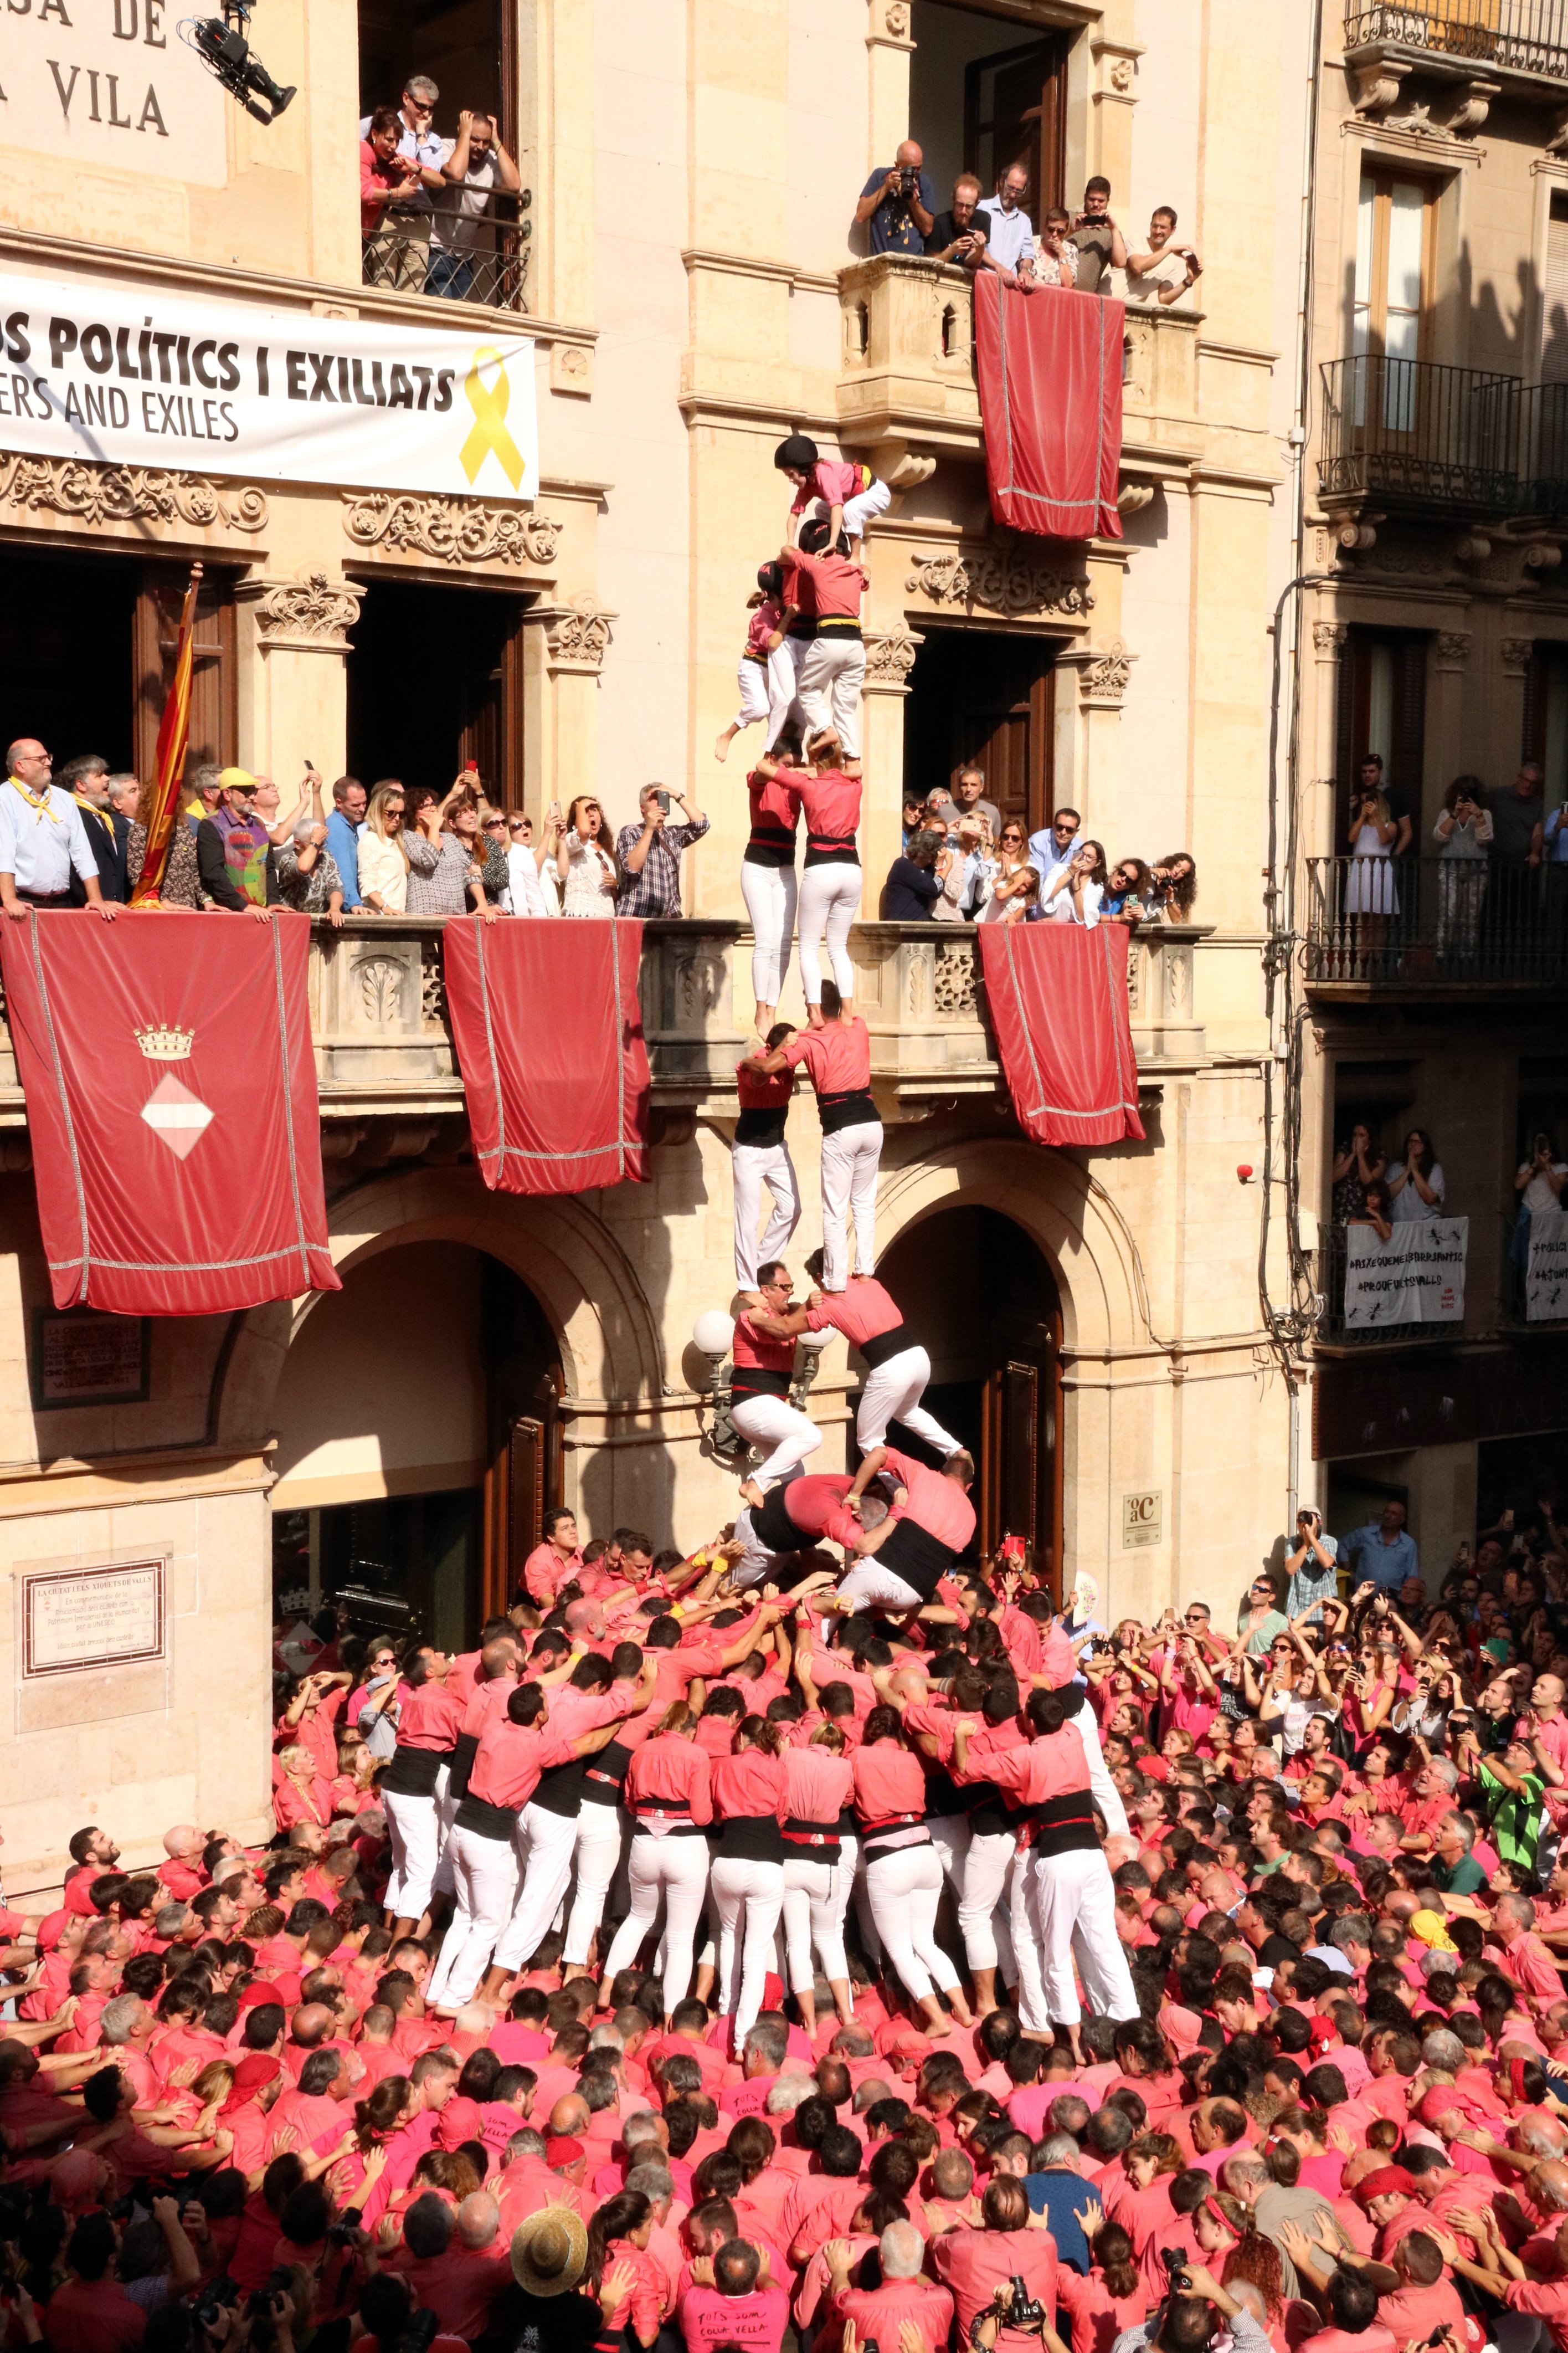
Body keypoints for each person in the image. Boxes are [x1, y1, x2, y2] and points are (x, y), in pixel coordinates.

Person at [744, 976, 882, 1292]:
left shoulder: (806, 1040)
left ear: (815, 1006)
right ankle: (864, 1273)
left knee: (835, 1210)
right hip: (872, 1125)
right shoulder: (858, 1026)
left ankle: (834, 1282)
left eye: (808, 1000)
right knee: (863, 1203)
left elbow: (766, 1069)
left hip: (842, 1130)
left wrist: (748, 1061)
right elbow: (847, 1011)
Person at [757, 733, 862, 1021]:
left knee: (808, 947)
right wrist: (819, 759)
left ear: (816, 757)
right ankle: (848, 1013)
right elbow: (855, 766)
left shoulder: (808, 784)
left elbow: (763, 767)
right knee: (839, 947)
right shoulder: (855, 783)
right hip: (852, 869)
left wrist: (808, 765)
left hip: (822, 867)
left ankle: (815, 1013)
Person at [0, 739, 121, 920]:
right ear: (21, 765)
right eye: (41, 759)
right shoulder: (5, 797)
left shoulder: (64, 798)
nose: (49, 762)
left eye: (48, 757)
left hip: (64, 904)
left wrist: (95, 898)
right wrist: (9, 900)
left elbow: (82, 852)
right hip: (25, 904)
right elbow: (5, 853)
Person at [726, 1261, 822, 1488]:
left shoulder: (789, 1314)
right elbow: (782, 1330)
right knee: (810, 1436)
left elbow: (794, 1321)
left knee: (796, 1479)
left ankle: (754, 1519)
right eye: (785, 1287)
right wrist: (806, 1307)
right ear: (765, 1290)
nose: (791, 1291)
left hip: (768, 1403)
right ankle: (756, 1482)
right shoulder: (750, 1316)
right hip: (753, 1402)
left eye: (791, 1286)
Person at [782, 523, 869, 756]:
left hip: (830, 637)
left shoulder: (819, 565)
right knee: (846, 706)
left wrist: (794, 544)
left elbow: (787, 552)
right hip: (856, 644)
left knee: (809, 690)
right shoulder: (856, 569)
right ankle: (853, 760)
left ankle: (824, 729)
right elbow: (865, 579)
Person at [358, 76, 447, 288]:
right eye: (421, 106)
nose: (425, 113)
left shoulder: (432, 140)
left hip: (419, 217)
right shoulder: (379, 123)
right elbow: (346, 147)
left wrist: (421, 135)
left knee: (413, 293)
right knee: (382, 287)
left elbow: (433, 175)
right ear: (406, 98)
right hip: (388, 214)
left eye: (430, 109)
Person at [733, 1026, 801, 1291]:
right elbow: (762, 1074)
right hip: (748, 1150)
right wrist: (779, 1048)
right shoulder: (758, 1061)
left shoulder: (789, 1058)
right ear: (773, 1048)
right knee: (748, 1219)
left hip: (776, 1147)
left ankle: (760, 1264)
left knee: (792, 1209)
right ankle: (747, 1284)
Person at [430, 107, 521, 299]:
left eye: (485, 141)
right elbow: (456, 172)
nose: (480, 146)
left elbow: (514, 184)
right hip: (436, 250)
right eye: (475, 139)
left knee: (458, 322)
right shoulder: (446, 146)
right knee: (442, 315)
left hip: (465, 259)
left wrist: (496, 142)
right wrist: (464, 135)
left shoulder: (490, 160)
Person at [715, 562, 794, 765]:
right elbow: (774, 642)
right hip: (753, 666)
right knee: (760, 708)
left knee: (781, 715)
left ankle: (774, 759)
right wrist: (787, 619)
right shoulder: (762, 615)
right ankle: (727, 736)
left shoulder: (778, 610)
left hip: (772, 669)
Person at [774, 435, 892, 561]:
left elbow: (837, 506)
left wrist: (832, 542)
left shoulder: (823, 473)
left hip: (875, 492)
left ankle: (855, 557)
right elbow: (794, 514)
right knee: (821, 509)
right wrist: (790, 542)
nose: (791, 480)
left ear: (803, 467)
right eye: (788, 476)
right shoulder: (807, 486)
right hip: (853, 496)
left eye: (792, 474)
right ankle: (842, 550)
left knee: (850, 510)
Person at [407, 781, 499, 919]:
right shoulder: (408, 838)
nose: (432, 809)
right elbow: (428, 860)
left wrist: (482, 904)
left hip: (455, 915)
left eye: (432, 804)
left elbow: (470, 872)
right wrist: (434, 828)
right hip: (425, 914)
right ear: (413, 814)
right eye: (425, 807)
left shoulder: (450, 839)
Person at [615, 786, 709, 920]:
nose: (659, 802)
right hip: (636, 915)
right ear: (643, 808)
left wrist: (677, 795)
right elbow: (632, 867)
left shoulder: (673, 835)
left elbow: (702, 825)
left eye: (662, 797)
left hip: (667, 920)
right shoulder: (631, 831)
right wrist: (649, 828)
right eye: (654, 798)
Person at [194, 767, 277, 915]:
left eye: (253, 792)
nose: (252, 797)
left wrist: (274, 902)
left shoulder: (259, 824)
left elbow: (269, 868)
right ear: (227, 794)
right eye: (246, 792)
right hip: (228, 913)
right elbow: (213, 873)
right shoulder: (211, 824)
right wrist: (242, 906)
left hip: (262, 913)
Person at [58, 754, 130, 905]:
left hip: (111, 908)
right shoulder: (74, 815)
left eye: (106, 773)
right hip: (88, 909)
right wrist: (96, 900)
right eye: (99, 775)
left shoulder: (103, 816)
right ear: (81, 785)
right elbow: (73, 866)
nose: (107, 779)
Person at [854, 140, 935, 255]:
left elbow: (927, 229)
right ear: (897, 166)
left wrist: (912, 199)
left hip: (913, 265)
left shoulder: (924, 182)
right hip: (883, 263)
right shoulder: (880, 176)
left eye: (919, 168)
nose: (915, 173)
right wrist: (887, 187)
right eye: (911, 169)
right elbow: (861, 216)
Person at [978, 163, 1040, 289]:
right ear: (1002, 182)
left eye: (1019, 191)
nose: (1012, 195)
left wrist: (1026, 271)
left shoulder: (1024, 221)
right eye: (1010, 188)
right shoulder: (983, 209)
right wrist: (1000, 269)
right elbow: (978, 249)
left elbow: (1028, 255)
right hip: (984, 281)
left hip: (1010, 287)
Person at [1125, 207, 1204, 306]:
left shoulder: (1170, 264)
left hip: (1127, 313)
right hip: (1107, 301)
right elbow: (1138, 266)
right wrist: (1169, 249)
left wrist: (1189, 280)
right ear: (1150, 226)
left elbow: (1164, 300)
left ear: (1173, 230)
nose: (1158, 231)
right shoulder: (1137, 240)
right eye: (1155, 226)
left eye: (1163, 227)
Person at [557, 794, 619, 916]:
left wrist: (614, 885)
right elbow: (585, 832)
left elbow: (614, 897)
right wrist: (580, 806)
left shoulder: (608, 853)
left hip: (605, 915)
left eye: (594, 810)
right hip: (581, 913)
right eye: (585, 812)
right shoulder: (571, 841)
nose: (591, 815)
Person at [1340, 1499, 1418, 1593]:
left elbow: (1412, 1575)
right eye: (1386, 1512)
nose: (1388, 1516)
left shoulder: (1408, 1544)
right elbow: (1342, 1545)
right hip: (1363, 1597)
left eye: (1394, 1514)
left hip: (1391, 1600)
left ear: (1402, 1520)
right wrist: (1349, 1570)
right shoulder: (1366, 1533)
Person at [357, 781, 409, 913]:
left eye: (401, 814)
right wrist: (385, 907)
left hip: (398, 915)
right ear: (378, 811)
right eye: (391, 813)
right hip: (381, 917)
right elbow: (367, 882)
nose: (397, 818)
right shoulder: (371, 840)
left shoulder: (395, 841)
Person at [1070, 176, 1129, 292]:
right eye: (1092, 199)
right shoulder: (1070, 217)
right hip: (1057, 292)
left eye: (1101, 201)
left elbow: (1121, 262)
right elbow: (1049, 241)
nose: (1096, 204)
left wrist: (1114, 228)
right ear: (1085, 198)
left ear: (1108, 201)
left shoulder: (1110, 233)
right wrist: (1071, 230)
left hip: (1085, 299)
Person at [1284, 1509, 1340, 1622]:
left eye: (1310, 1521)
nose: (1305, 1526)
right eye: (1301, 1521)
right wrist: (1306, 1544)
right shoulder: (1291, 1542)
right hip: (1296, 1610)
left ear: (1319, 1522)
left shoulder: (1329, 1541)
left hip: (1322, 1612)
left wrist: (1312, 1538)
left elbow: (1327, 1563)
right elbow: (1291, 1569)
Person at [1489, 760, 1546, 870]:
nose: (1528, 785)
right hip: (1494, 861)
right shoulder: (1498, 795)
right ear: (1519, 777)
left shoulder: (1537, 804)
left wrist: (1535, 853)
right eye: (1526, 780)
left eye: (1533, 783)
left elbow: (1537, 834)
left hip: (1521, 863)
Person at [924, 174, 989, 266]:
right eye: (960, 205)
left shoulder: (983, 219)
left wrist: (980, 251)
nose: (963, 211)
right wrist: (952, 250)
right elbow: (930, 264)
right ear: (953, 199)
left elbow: (970, 264)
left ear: (977, 203)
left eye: (969, 207)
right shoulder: (939, 223)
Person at [881, 827, 944, 920]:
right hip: (902, 925)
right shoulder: (902, 865)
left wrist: (937, 870)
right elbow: (933, 889)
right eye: (932, 857)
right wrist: (942, 867)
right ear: (925, 855)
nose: (932, 860)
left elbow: (935, 894)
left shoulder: (928, 869)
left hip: (918, 925)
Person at [1042, 839, 1108, 926]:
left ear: (1098, 863)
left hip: (1075, 933)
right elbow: (1046, 895)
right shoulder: (1059, 870)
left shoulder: (1097, 886)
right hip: (1053, 927)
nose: (1084, 859)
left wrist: (1076, 887)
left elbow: (1084, 918)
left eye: (1090, 857)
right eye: (1082, 854)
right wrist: (1070, 873)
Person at [325, 775, 367, 911]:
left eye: (364, 803)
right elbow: (343, 870)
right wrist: (354, 903)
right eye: (355, 805)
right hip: (342, 908)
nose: (362, 809)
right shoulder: (337, 828)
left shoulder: (351, 825)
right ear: (339, 803)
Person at [1386, 1129, 1444, 1224]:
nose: (1413, 1145)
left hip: (1427, 1224)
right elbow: (1388, 1195)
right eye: (1411, 1141)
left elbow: (1430, 1199)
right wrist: (1408, 1171)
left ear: (1425, 1146)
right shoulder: (1395, 1168)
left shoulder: (1435, 1169)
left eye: (1418, 1142)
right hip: (1400, 1225)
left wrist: (1415, 1171)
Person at [1029, 804, 1082, 882]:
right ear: (1054, 825)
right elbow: (1036, 877)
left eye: (1069, 830)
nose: (1063, 833)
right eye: (1060, 827)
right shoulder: (1038, 841)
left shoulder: (1079, 847)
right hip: (1041, 891)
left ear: (1076, 832)